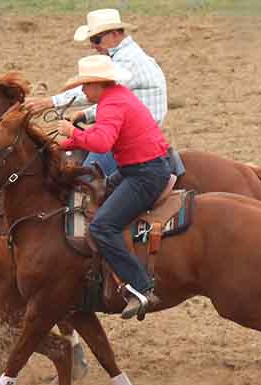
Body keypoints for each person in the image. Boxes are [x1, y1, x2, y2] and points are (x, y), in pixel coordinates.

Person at [56, 55, 171, 319]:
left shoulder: (112, 104)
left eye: (85, 85)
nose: (83, 91)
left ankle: (141, 287)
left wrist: (71, 133)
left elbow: (102, 142)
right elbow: (96, 137)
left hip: (144, 175)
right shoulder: (116, 97)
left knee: (102, 226)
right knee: (96, 199)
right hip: (139, 168)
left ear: (99, 83)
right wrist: (60, 146)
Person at [26, 8, 167, 177]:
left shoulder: (127, 60)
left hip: (132, 138)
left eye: (96, 39)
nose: (93, 45)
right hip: (133, 129)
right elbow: (112, 101)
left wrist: (51, 102)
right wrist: (85, 115)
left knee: (87, 177)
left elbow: (99, 92)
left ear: (114, 34)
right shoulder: (128, 55)